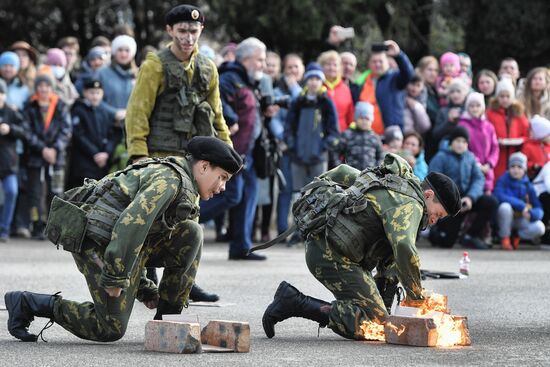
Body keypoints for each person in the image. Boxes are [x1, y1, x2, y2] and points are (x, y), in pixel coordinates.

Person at [4, 136, 243, 343]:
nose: (222, 187)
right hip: (95, 241)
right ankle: (27, 303)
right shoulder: (168, 181)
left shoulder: (189, 187)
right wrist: (116, 278)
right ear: (203, 166)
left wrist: (145, 290)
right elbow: (131, 225)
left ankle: (169, 323)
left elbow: (147, 237)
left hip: (118, 243)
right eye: (221, 177)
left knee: (191, 232)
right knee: (109, 328)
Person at [262, 153, 461, 340]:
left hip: (329, 248)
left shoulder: (396, 185)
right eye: (438, 214)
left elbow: (342, 171)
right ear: (428, 194)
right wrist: (417, 298)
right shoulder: (412, 205)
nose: (434, 220)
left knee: (387, 291)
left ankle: (380, 306)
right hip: (331, 255)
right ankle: (294, 303)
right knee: (376, 324)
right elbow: (404, 247)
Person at [125, 4, 232, 299]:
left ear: (201, 31)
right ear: (170, 31)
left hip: (194, 160)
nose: (188, 37)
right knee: (152, 218)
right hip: (158, 155)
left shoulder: (208, 68)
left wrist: (229, 155)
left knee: (189, 219)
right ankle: (146, 277)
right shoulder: (155, 65)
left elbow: (218, 115)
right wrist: (138, 154)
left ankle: (184, 281)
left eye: (193, 31)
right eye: (182, 31)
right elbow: (137, 112)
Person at [199, 37, 272, 261]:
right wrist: (230, 118)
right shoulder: (230, 77)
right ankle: (184, 219)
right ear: (246, 59)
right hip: (232, 151)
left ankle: (241, 246)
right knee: (232, 195)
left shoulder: (249, 81)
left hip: (247, 152)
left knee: (248, 197)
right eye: (260, 59)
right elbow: (217, 101)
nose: (263, 64)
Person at [428, 126, 497, 249]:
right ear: (451, 142)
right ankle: (436, 233)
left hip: (466, 200)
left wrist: (471, 197)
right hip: (448, 205)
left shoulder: (470, 157)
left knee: (490, 202)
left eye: (464, 142)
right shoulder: (440, 157)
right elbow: (434, 181)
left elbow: (479, 178)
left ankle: (471, 236)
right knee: (447, 243)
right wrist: (454, 201)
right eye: (458, 141)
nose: (461, 145)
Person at [22, 74, 72, 240]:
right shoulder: (30, 106)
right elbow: (26, 131)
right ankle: (37, 224)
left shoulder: (61, 105)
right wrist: (42, 148)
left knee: (56, 192)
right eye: (40, 86)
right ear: (36, 88)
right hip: (35, 157)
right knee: (35, 193)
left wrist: (55, 149)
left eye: (47, 86)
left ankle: (55, 226)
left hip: (56, 158)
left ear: (52, 88)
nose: (44, 89)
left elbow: (66, 131)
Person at [285, 62, 339, 196]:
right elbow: (289, 127)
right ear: (306, 80)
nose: (314, 82)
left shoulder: (326, 102)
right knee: (297, 195)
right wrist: (292, 145)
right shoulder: (298, 102)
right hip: (298, 156)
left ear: (322, 81)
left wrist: (324, 146)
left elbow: (334, 129)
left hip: (319, 157)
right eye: (311, 79)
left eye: (317, 79)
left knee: (319, 193)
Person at [270, 53, 304, 236]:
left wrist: (294, 87)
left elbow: (301, 102)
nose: (292, 70)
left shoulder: (306, 90)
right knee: (285, 189)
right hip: (285, 148)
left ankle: (301, 231)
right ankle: (283, 230)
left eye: (296, 67)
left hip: (304, 150)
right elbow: (275, 119)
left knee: (303, 191)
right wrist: (282, 137)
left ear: (302, 69)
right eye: (289, 67)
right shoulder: (277, 93)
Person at [67, 80, 117, 189]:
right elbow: (79, 136)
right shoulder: (79, 110)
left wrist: (106, 153)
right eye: (92, 93)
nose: (95, 96)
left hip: (102, 164)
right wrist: (95, 154)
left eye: (97, 93)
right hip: (84, 164)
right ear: (85, 93)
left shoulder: (105, 112)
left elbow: (112, 135)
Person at [357, 40, 414, 134]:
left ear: (387, 62)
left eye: (380, 61)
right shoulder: (362, 81)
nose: (377, 64)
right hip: (366, 134)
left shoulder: (394, 78)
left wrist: (399, 55)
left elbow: (409, 74)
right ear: (369, 64)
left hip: (390, 134)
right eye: (374, 62)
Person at [494, 152, 545, 250]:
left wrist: (532, 213)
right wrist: (522, 205)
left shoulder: (528, 185)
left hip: (520, 218)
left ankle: (516, 236)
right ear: (509, 168)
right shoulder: (502, 180)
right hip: (505, 219)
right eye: (513, 166)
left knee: (540, 227)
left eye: (519, 167)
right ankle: (505, 237)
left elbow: (539, 207)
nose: (516, 170)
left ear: (524, 169)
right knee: (505, 207)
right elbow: (498, 195)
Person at [486, 78, 530, 179]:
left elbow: (527, 134)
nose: (505, 99)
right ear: (497, 97)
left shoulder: (519, 113)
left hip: (515, 153)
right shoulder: (490, 113)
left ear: (512, 97)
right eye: (502, 96)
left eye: (508, 96)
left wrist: (520, 140)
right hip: (498, 154)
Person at [0, 79, 27, 242]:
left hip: (9, 162)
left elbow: (24, 131)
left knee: (12, 191)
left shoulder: (11, 112)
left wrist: (10, 129)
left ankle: (5, 228)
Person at [458, 92, 499, 192]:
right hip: (471, 168)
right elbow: (463, 147)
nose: (475, 108)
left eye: (478, 105)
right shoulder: (462, 125)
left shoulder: (489, 126)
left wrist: (489, 164)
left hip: (488, 170)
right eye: (472, 106)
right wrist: (477, 164)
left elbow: (495, 147)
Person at [338, 101, 383, 170]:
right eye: (361, 118)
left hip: (370, 176)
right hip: (351, 174)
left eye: (367, 119)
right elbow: (336, 152)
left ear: (371, 120)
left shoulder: (374, 137)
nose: (364, 121)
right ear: (356, 119)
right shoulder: (348, 135)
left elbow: (380, 156)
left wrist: (376, 170)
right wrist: (339, 167)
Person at [318, 50, 354, 133]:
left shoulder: (345, 89)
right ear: (321, 66)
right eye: (328, 64)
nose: (331, 68)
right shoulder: (316, 86)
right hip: (320, 133)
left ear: (339, 68)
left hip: (342, 134)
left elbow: (350, 114)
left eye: (335, 65)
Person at [432, 78, 469, 149]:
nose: (455, 95)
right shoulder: (443, 111)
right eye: (452, 92)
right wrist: (449, 122)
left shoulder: (469, 110)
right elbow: (436, 134)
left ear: (464, 94)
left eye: (458, 91)